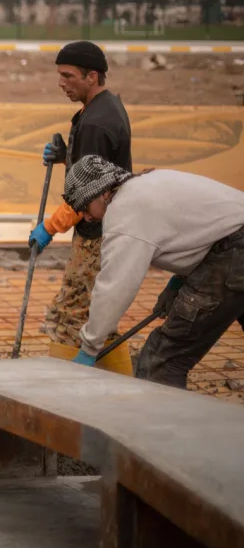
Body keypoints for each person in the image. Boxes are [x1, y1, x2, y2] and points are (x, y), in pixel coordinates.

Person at [60, 156, 244, 388]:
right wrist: (177, 284)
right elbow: (205, 229)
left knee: (161, 362)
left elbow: (115, 287)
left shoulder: (125, 212)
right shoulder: (145, 184)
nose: (85, 216)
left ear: (103, 193)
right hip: (234, 246)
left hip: (236, 254)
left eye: (84, 206)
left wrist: (89, 347)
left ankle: (166, 424)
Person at [28, 41, 133, 368]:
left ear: (92, 76)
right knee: (97, 313)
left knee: (71, 315)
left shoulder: (95, 124)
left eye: (68, 76)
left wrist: (49, 227)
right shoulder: (105, 108)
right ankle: (118, 386)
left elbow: (90, 193)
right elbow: (99, 169)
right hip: (109, 227)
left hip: (96, 235)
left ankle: (62, 397)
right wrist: (68, 158)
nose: (61, 83)